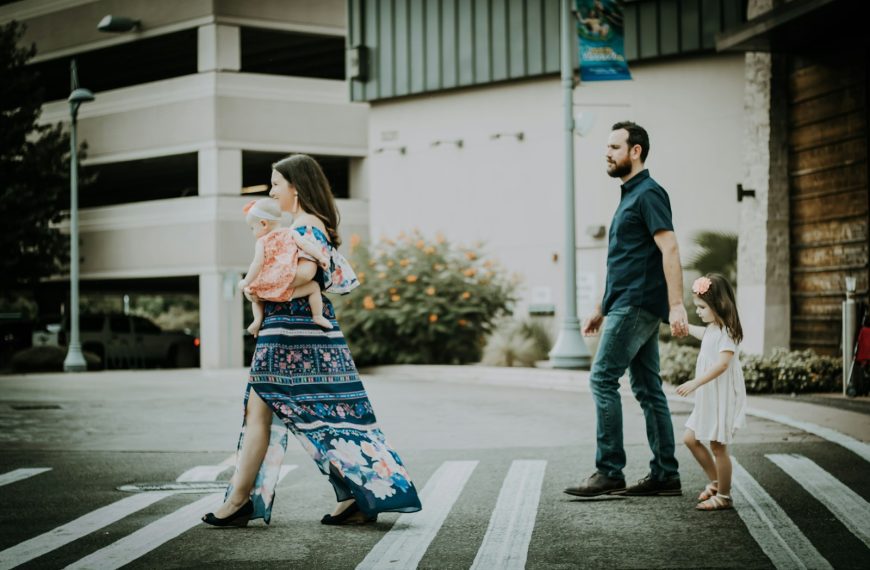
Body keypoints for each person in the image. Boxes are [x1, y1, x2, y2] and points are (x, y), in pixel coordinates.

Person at [202, 154, 421, 528]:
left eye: (275, 184)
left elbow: (308, 275)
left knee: (264, 412)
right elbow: (319, 277)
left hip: (290, 333)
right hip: (303, 332)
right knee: (329, 413)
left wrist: (264, 289)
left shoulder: (303, 228)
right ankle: (360, 494)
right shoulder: (308, 226)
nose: (272, 191)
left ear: (296, 188)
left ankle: (240, 500)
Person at [564, 121, 689, 498]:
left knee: (602, 378)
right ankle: (666, 474)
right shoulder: (629, 197)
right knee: (649, 388)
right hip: (627, 302)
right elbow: (626, 261)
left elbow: (669, 249)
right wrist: (601, 307)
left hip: (636, 305)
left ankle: (609, 471)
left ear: (635, 151)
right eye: (607, 146)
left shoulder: (649, 193)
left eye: (615, 147)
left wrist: (678, 304)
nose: (607, 152)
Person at [676, 274, 747, 511]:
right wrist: (684, 328)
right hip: (709, 397)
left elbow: (722, 365)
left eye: (702, 307)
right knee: (690, 439)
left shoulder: (728, 332)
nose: (698, 311)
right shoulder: (713, 328)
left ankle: (724, 496)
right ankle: (717, 482)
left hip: (721, 397)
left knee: (718, 446)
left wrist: (695, 382)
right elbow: (702, 334)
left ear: (719, 305)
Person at [238, 197, 333, 335]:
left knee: (253, 292)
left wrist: (246, 281)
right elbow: (306, 246)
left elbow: (257, 263)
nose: (253, 232)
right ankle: (317, 316)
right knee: (314, 287)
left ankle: (257, 320)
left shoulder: (262, 241)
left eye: (253, 228)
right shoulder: (291, 232)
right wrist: (321, 257)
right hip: (288, 280)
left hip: (269, 283)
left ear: (263, 224)